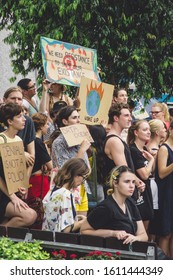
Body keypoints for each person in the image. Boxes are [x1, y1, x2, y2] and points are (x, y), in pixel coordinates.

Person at [80, 165, 148, 244]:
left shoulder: (130, 202)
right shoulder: (105, 207)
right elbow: (84, 231)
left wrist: (136, 238)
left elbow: (144, 235)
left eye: (133, 182)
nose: (132, 186)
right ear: (115, 183)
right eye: (127, 181)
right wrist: (112, 233)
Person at [0, 103, 37, 227]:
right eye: (20, 116)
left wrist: (21, 186)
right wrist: (12, 197)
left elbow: (15, 169)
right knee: (29, 215)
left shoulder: (18, 140)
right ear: (10, 121)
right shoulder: (1, 140)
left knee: (30, 215)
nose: (24, 119)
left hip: (11, 192)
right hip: (3, 193)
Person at [51, 106, 91, 216]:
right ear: (65, 121)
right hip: (67, 190)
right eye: (74, 118)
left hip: (82, 186)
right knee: (70, 225)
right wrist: (82, 150)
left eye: (78, 117)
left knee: (81, 224)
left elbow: (87, 167)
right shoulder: (58, 143)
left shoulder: (79, 140)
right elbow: (67, 171)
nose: (78, 120)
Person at [103, 103, 145, 195]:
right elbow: (124, 169)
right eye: (126, 115)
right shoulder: (114, 141)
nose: (130, 119)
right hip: (116, 192)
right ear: (116, 118)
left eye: (130, 115)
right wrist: (138, 182)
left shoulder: (117, 139)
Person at [42, 158, 89, 232]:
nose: (83, 181)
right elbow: (66, 229)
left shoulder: (54, 189)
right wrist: (82, 223)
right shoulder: (66, 195)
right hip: (60, 241)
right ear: (76, 175)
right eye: (84, 177)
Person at [127, 120, 155, 232]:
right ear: (136, 132)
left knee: (148, 225)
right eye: (145, 129)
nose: (148, 132)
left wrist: (150, 160)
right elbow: (144, 174)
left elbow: (150, 172)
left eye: (149, 129)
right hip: (139, 192)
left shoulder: (144, 149)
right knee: (142, 227)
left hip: (147, 189)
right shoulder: (133, 150)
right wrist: (152, 159)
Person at [2, 86, 35, 177]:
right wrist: (20, 153)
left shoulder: (27, 121)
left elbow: (32, 156)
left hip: (18, 175)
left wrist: (25, 182)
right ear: (5, 100)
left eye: (19, 99)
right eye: (13, 98)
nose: (16, 101)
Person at [147, 119, 167, 241]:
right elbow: (155, 171)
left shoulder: (157, 147)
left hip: (156, 187)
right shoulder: (154, 149)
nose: (165, 130)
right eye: (163, 128)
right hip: (153, 188)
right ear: (158, 132)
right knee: (152, 224)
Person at [155, 121, 173, 257]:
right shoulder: (164, 149)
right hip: (166, 194)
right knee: (166, 233)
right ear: (170, 130)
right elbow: (161, 173)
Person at [28, 112, 52, 201]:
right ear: (41, 126)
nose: (48, 127)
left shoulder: (30, 140)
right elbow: (50, 166)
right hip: (38, 180)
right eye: (47, 124)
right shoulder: (38, 142)